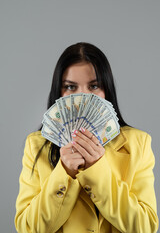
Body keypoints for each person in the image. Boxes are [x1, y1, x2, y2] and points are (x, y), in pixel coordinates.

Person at [15, 42, 159, 233]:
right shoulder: (36, 145)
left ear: (106, 91)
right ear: (58, 92)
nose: (82, 97)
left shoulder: (137, 144)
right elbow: (28, 228)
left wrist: (97, 170)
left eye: (94, 86)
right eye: (70, 87)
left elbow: (146, 227)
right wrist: (64, 172)